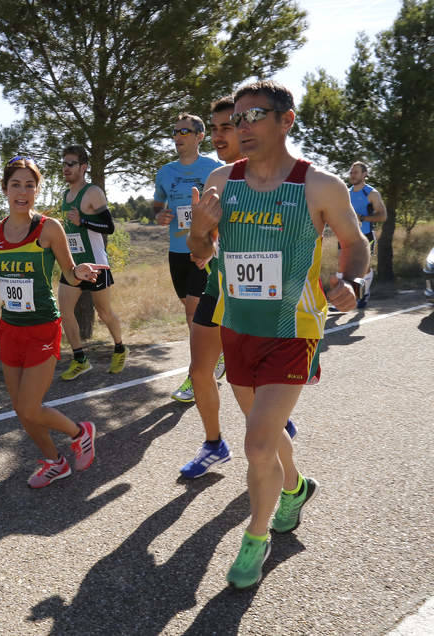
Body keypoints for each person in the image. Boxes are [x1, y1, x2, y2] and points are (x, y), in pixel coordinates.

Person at [188, 80, 370, 589]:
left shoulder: (320, 185)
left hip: (294, 332)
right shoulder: (222, 180)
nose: (241, 127)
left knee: (256, 443)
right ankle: (294, 488)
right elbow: (200, 253)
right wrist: (200, 228)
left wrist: (351, 281)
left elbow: (354, 245)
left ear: (286, 121)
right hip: (237, 328)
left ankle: (256, 536)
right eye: (236, 119)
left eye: (254, 117)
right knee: (262, 439)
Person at [0, 156, 109, 489]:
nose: (22, 192)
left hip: (42, 327)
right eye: (16, 184)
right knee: (21, 410)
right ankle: (54, 461)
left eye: (30, 185)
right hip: (9, 328)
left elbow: (69, 270)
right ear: (5, 189)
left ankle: (79, 432)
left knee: (30, 406)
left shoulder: (48, 228)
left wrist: (79, 273)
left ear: (38, 190)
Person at [179, 96, 298, 479]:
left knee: (250, 391)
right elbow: (202, 243)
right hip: (221, 287)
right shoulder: (218, 178)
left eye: (226, 126)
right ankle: (215, 444)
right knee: (200, 370)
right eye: (213, 128)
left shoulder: (268, 175)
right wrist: (201, 239)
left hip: (267, 298)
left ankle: (275, 446)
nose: (218, 135)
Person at [153, 114, 223, 402]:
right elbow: (157, 205)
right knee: (192, 312)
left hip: (204, 251)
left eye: (184, 131)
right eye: (174, 131)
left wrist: (212, 246)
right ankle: (217, 355)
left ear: (199, 136)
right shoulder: (165, 172)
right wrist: (160, 215)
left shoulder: (215, 169)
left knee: (193, 312)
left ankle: (197, 375)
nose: (178, 136)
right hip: (177, 250)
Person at [57, 144, 127, 380]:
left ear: (83, 167)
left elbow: (109, 227)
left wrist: (83, 221)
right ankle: (80, 359)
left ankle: (119, 348)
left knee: (105, 312)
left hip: (96, 264)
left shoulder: (93, 192)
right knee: (65, 311)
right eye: (64, 163)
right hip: (74, 266)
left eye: (71, 163)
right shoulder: (65, 196)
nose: (66, 168)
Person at [343, 161, 386, 308]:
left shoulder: (371, 193)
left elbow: (382, 216)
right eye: (351, 172)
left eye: (356, 172)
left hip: (366, 235)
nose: (352, 175)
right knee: (344, 267)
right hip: (346, 235)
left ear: (364, 174)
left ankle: (363, 294)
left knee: (363, 268)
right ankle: (348, 299)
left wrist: (362, 218)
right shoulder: (346, 193)